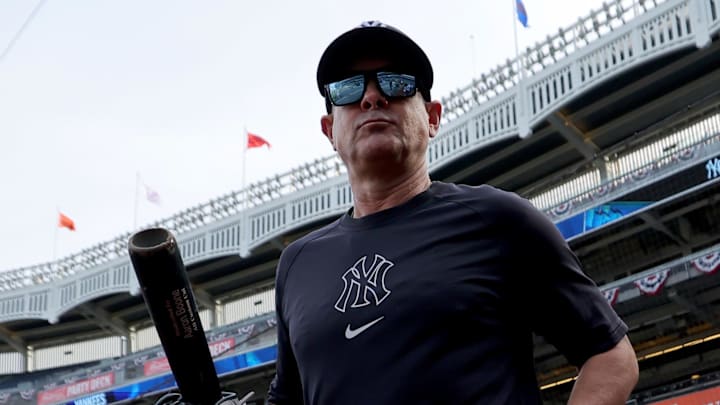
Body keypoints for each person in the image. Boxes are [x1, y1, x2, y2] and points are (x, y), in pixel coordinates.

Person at [267, 21, 638, 404]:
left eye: (396, 83)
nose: (372, 97)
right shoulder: (297, 264)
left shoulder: (497, 220)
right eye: (349, 88)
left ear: (432, 118)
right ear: (329, 131)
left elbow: (611, 356)